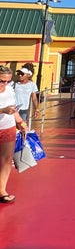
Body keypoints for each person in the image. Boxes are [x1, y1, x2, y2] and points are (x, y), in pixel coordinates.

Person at [0, 65, 28, 204]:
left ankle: (2, 191)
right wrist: (2, 110)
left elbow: (14, 108)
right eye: (1, 81)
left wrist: (21, 123)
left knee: (6, 160)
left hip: (8, 128)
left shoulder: (10, 90)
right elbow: (6, 109)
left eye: (7, 81)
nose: (4, 84)